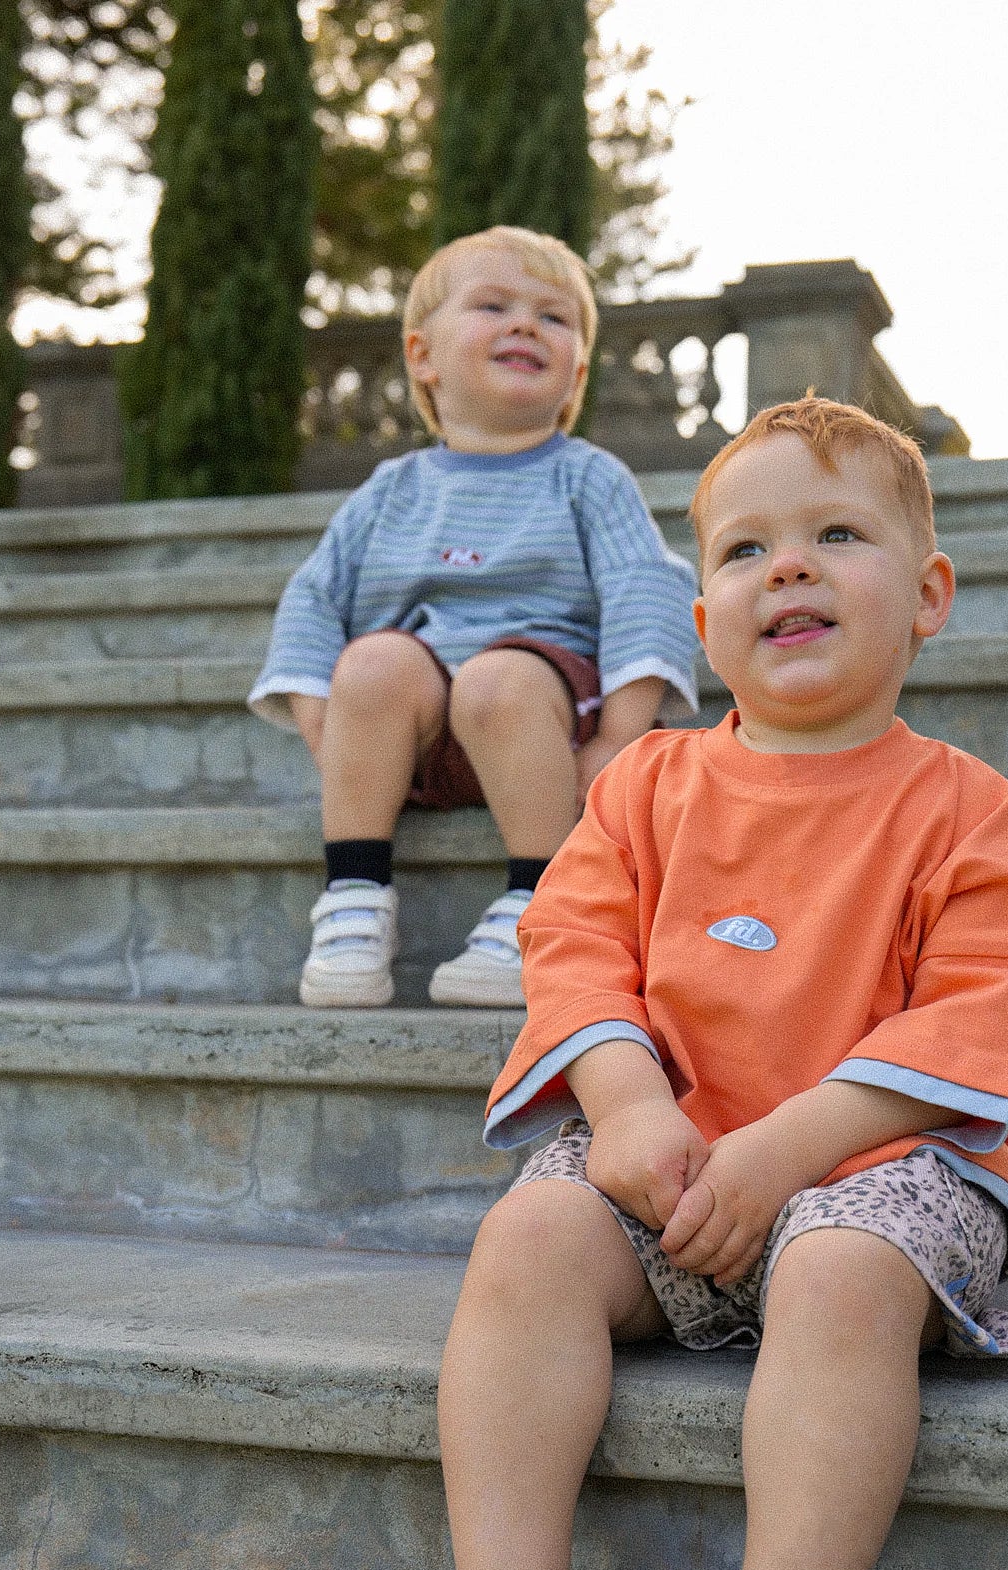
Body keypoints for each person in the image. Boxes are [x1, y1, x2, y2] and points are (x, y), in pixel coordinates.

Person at [380, 397, 1008, 1570]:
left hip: (890, 1174)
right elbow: (574, 950)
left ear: (929, 595)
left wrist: (787, 1149)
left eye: (839, 536)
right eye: (750, 549)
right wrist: (630, 1104)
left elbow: (979, 1014)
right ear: (703, 620)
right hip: (672, 1165)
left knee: (834, 1269)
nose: (792, 571)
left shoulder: (966, 809)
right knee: (527, 1235)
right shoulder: (642, 785)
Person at [248, 225, 699, 1009]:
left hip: (538, 725)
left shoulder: (588, 479)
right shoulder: (391, 489)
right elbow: (312, 600)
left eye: (554, 318)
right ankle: (355, 893)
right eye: (493, 305)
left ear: (576, 374)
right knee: (373, 661)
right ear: (423, 357)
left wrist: (621, 738)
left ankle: (542, 899)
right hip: (415, 735)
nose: (526, 324)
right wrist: (329, 725)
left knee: (496, 678)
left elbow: (643, 589)